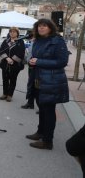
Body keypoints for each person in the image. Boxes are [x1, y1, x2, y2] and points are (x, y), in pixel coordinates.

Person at [25, 19, 69, 150]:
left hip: (51, 81)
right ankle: (40, 132)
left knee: (49, 111)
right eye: (39, 26)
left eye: (44, 26)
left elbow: (62, 61)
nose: (41, 28)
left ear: (50, 27)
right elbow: (35, 58)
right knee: (42, 109)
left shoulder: (57, 41)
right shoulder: (38, 40)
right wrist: (32, 61)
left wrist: (39, 62)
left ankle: (47, 141)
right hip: (38, 79)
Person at [0, 27, 25, 102]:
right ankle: (5, 93)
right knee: (5, 79)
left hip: (15, 64)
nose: (12, 33)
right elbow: (1, 50)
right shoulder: (6, 41)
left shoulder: (20, 42)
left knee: (13, 80)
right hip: (5, 63)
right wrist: (7, 58)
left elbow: (21, 53)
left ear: (17, 33)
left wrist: (12, 59)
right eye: (11, 32)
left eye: (14, 32)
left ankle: (10, 95)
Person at [22, 37, 36, 109]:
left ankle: (42, 107)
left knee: (38, 86)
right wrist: (28, 61)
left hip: (38, 67)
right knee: (30, 85)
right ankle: (30, 103)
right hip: (31, 66)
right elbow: (29, 52)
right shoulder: (33, 41)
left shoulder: (42, 42)